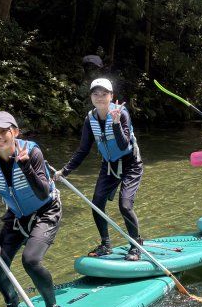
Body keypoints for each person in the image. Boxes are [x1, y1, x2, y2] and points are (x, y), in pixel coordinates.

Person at [0, 111, 63, 307]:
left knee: (31, 260)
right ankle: (12, 305)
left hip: (46, 211)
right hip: (17, 216)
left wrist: (26, 167)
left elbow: (44, 193)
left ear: (14, 132)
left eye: (3, 132)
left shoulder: (32, 152)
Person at [54, 78, 144, 260]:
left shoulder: (121, 113)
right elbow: (83, 149)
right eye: (96, 94)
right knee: (97, 204)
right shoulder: (90, 119)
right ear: (91, 97)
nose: (100, 97)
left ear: (111, 96)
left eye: (104, 94)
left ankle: (136, 245)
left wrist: (116, 123)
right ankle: (106, 244)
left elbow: (123, 144)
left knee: (125, 206)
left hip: (130, 164)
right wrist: (64, 171)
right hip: (109, 166)